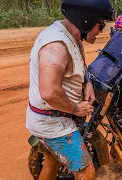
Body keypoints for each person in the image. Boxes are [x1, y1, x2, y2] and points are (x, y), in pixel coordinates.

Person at [26, 0, 115, 179]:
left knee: (52, 161)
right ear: (86, 20)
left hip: (53, 116)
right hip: (54, 122)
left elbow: (82, 65)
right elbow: (49, 92)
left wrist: (87, 84)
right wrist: (76, 109)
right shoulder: (56, 47)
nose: (101, 31)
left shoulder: (72, 35)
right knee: (87, 173)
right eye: (100, 25)